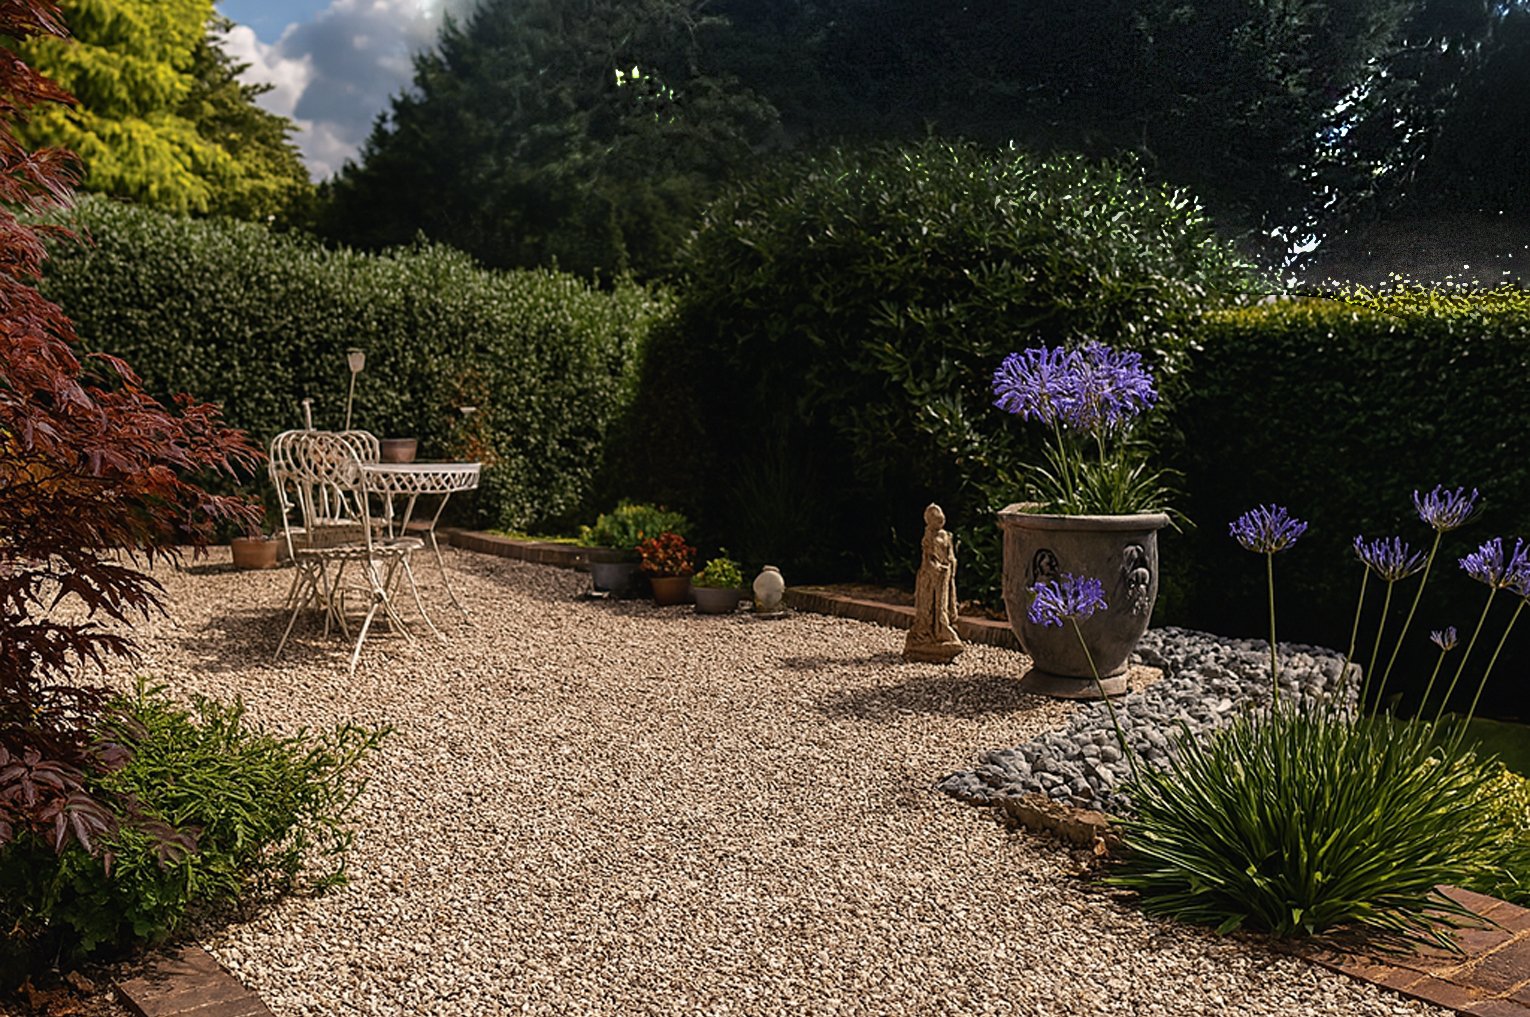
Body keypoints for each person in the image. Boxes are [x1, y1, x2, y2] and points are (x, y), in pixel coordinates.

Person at [905, 503, 963, 662]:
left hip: (945, 576)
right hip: (931, 578)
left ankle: (943, 633)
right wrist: (938, 569)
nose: (939, 519)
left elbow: (951, 555)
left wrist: (950, 565)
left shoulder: (946, 535)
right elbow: (928, 560)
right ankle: (926, 635)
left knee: (945, 604)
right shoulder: (928, 537)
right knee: (930, 606)